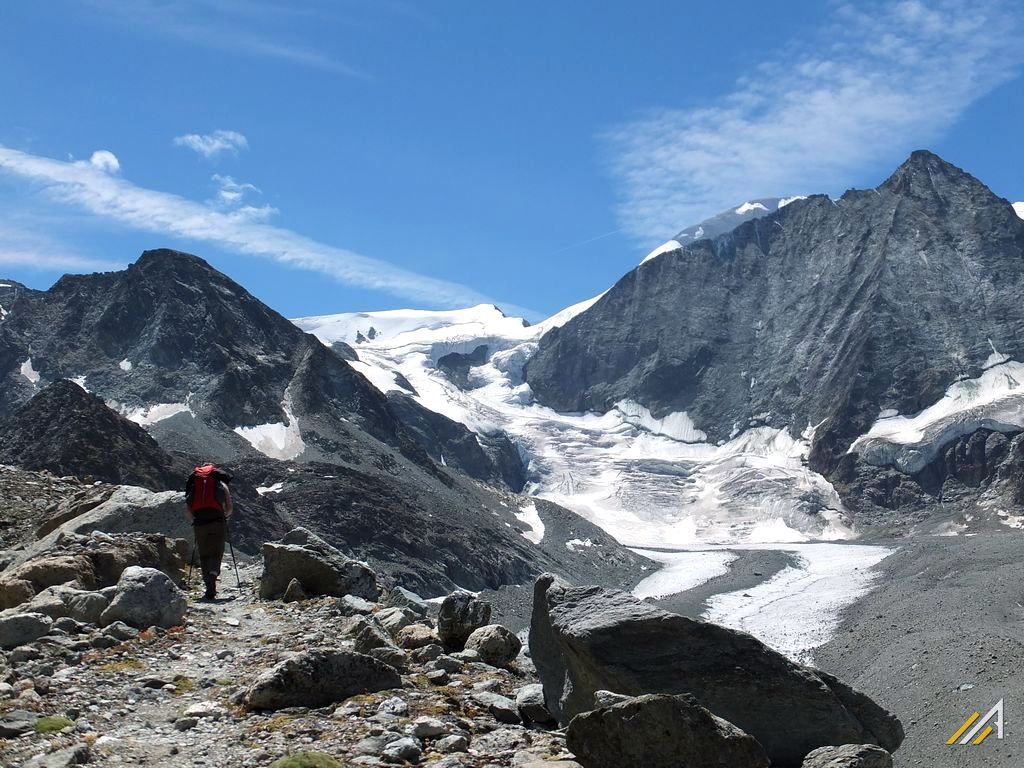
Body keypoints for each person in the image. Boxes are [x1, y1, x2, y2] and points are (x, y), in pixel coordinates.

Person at [185, 463, 233, 600]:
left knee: (204, 554)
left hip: (200, 523)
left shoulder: (195, 484)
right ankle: (213, 573)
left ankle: (208, 587)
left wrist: (194, 520)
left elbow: (188, 508)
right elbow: (229, 508)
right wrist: (225, 516)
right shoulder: (221, 485)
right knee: (216, 552)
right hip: (218, 521)